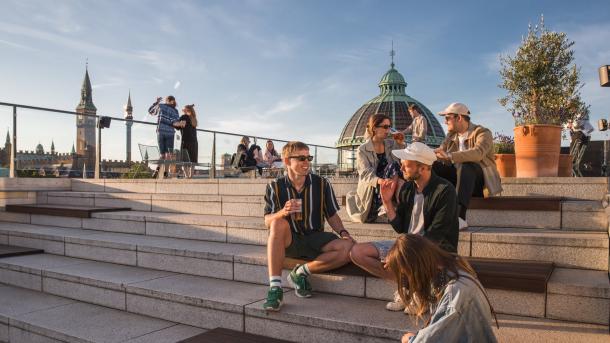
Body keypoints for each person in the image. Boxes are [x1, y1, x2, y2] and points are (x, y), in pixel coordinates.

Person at [349, 142, 459, 311]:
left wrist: (401, 254)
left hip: (435, 249)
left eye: (406, 163)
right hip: (408, 244)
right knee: (357, 252)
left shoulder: (445, 190)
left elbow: (436, 236)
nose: (401, 167)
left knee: (404, 254)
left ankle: (416, 292)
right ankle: (407, 288)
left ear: (422, 168)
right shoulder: (408, 188)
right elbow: (401, 228)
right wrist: (387, 202)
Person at [262, 141, 355, 311]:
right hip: (290, 240)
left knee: (348, 247)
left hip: (315, 238)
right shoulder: (274, 186)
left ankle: (300, 273)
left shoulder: (322, 183)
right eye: (302, 158)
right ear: (287, 161)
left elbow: (332, 215)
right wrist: (282, 212)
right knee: (277, 223)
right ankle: (275, 288)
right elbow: (267, 220)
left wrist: (343, 232)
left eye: (309, 157)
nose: (307, 162)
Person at [385, 234, 498, 343]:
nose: (409, 280)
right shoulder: (453, 270)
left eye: (407, 274)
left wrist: (410, 339)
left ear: (416, 267)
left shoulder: (454, 291)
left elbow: (433, 339)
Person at [433, 103, 502, 227]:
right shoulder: (450, 136)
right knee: (433, 166)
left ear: (459, 118)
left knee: (466, 166)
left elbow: (478, 153)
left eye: (448, 118)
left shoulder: (482, 132)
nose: (445, 121)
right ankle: (428, 207)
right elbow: (441, 152)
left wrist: (450, 156)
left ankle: (459, 217)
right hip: (458, 181)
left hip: (479, 181)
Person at [346, 114, 405, 223]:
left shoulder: (391, 144)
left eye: (389, 126)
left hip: (390, 186)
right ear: (374, 128)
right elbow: (365, 173)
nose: (388, 130)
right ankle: (389, 206)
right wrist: (381, 181)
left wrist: (400, 144)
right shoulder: (362, 149)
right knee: (394, 170)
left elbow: (403, 161)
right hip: (373, 191)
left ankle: (394, 207)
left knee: (396, 171)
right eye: (385, 127)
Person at [148, 95, 183, 178]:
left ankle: (157, 169)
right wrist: (180, 124)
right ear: (173, 101)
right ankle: (165, 173)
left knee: (162, 155)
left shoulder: (161, 106)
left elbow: (151, 111)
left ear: (167, 101)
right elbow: (175, 122)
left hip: (160, 131)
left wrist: (157, 102)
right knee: (168, 155)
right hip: (170, 133)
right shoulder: (175, 111)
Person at [568, 113, 594, 177]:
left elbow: (578, 125)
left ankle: (573, 163)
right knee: (578, 155)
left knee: (573, 155)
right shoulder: (582, 116)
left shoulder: (578, 115)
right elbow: (590, 129)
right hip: (584, 136)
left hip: (580, 135)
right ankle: (576, 165)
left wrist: (573, 125)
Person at [178, 104, 198, 178]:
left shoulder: (184, 117)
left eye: (183, 109)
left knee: (184, 160)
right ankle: (191, 176)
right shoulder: (194, 119)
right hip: (194, 142)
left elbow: (178, 126)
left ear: (186, 110)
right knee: (192, 160)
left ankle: (186, 176)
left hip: (186, 140)